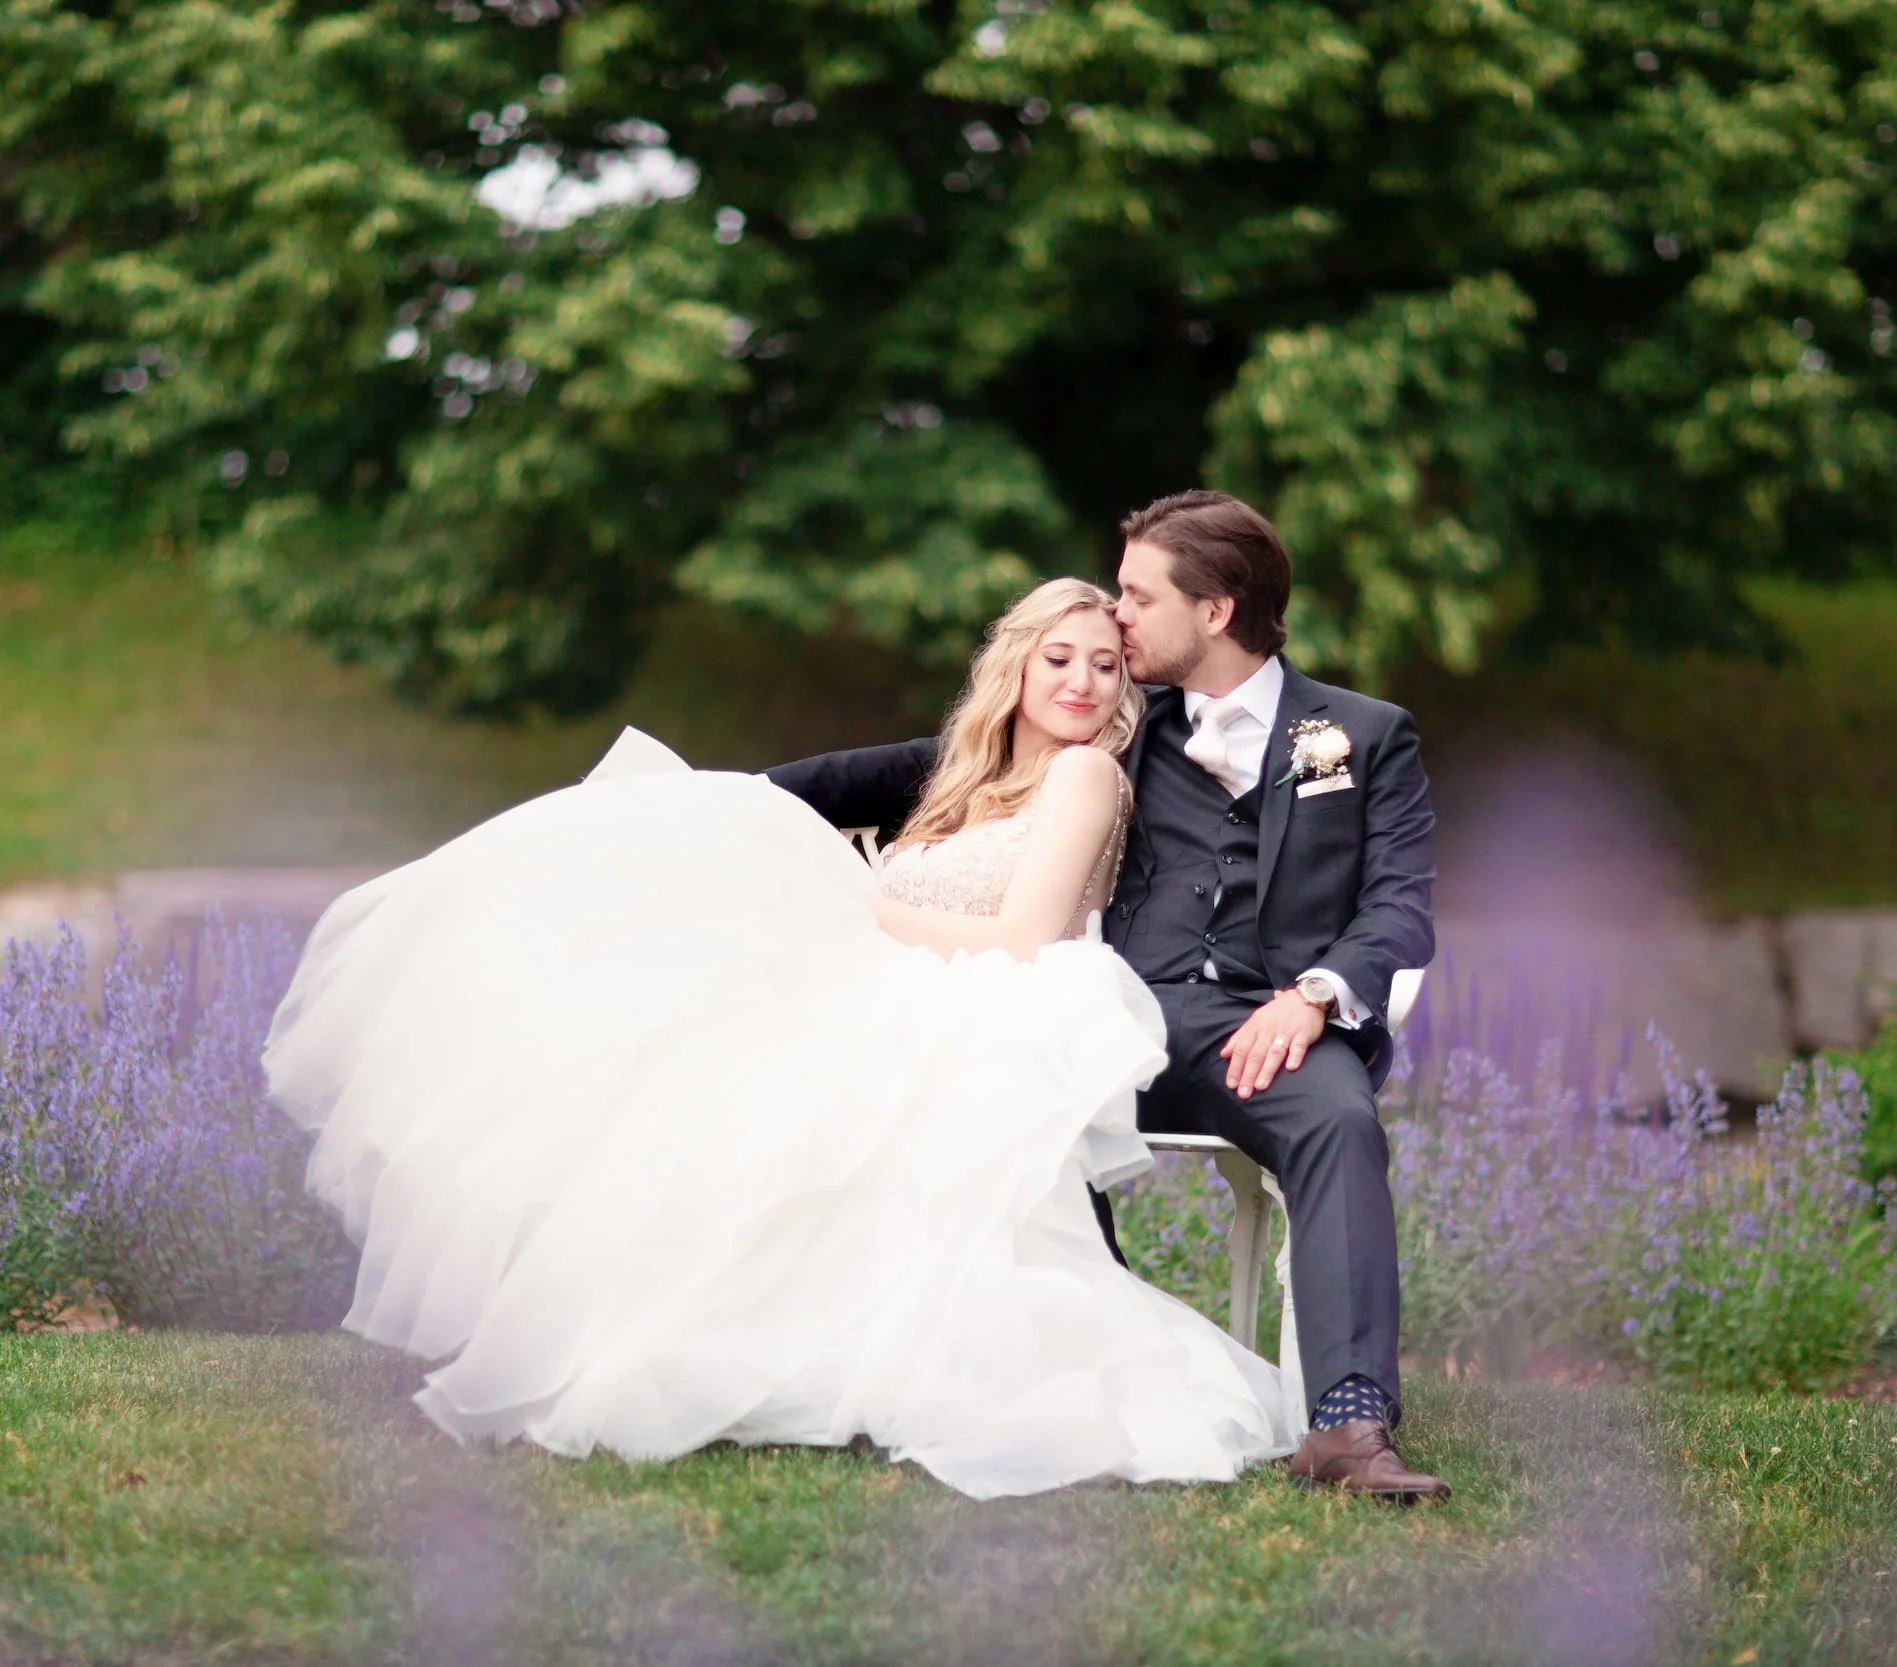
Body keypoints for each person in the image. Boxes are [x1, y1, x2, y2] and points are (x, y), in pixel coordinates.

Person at [263, 577, 1301, 1500]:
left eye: (1106, 663)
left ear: (1126, 684)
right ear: (1016, 665)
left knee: (763, 1069)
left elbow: (1022, 937)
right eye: (1058, 656)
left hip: (985, 993)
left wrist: (850, 904)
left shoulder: (1083, 776)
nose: (1081, 679)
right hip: (906, 978)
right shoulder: (962, 785)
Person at [768, 491, 1448, 1501]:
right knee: (1000, 1062)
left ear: (1212, 611)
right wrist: (724, 803)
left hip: (1275, 1026)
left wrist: (1314, 995)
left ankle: (1348, 1427)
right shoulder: (1116, 724)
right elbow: (930, 766)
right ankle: (1028, 1359)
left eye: (1136, 595)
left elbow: (1399, 907)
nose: (1116, 616)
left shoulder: (1362, 733)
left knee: (1340, 1121)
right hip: (1116, 1013)